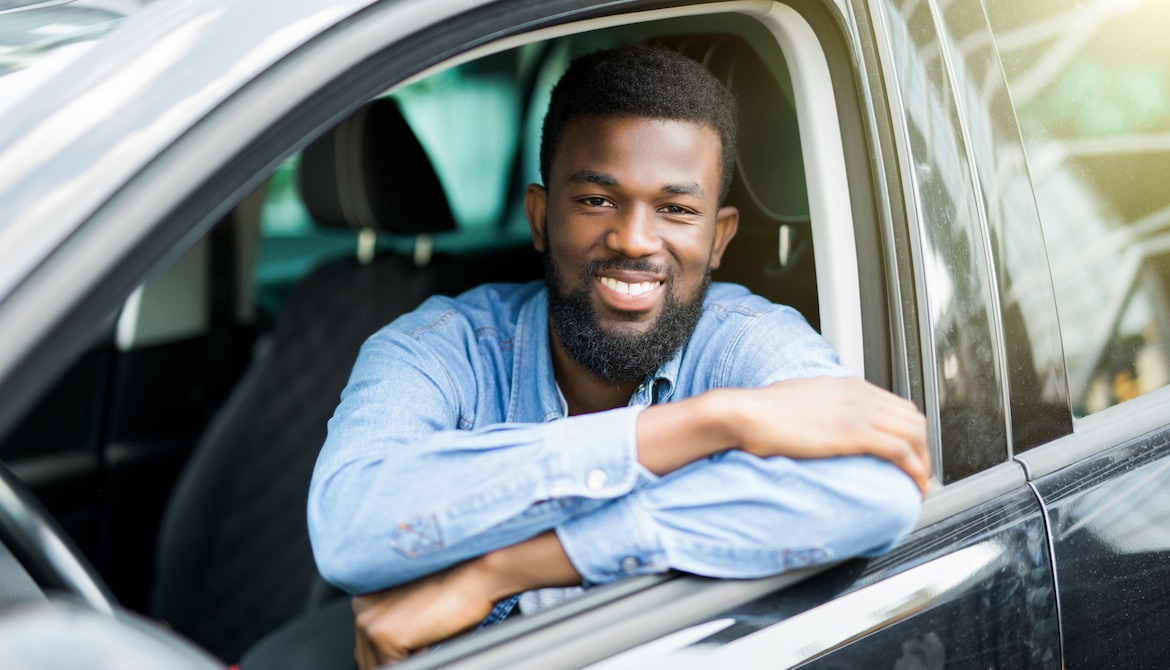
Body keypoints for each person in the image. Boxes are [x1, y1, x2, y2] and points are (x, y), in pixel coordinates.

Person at [307, 44, 929, 668]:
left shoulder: (747, 340)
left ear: (719, 240)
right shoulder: (439, 346)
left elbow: (877, 491)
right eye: (597, 200)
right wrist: (707, 425)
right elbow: (350, 527)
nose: (633, 240)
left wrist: (505, 568)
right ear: (540, 217)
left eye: (676, 210)